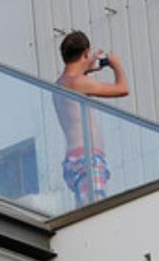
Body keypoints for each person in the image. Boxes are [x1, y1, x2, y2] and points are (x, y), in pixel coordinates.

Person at [53, 31, 129, 205]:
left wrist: (86, 69)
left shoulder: (61, 83)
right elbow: (122, 88)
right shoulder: (77, 82)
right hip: (87, 158)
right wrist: (116, 64)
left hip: (75, 157)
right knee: (95, 209)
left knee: (86, 205)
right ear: (86, 53)